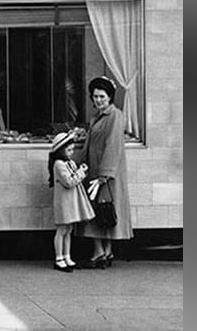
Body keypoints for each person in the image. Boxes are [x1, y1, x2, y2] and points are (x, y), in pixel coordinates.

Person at [76, 76, 134, 268]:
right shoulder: (98, 117)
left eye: (102, 96)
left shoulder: (115, 116)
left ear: (110, 97)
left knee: (100, 210)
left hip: (105, 174)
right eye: (95, 96)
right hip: (97, 171)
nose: (98, 100)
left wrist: (103, 175)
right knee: (102, 211)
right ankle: (105, 252)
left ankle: (100, 251)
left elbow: (113, 145)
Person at [48, 127, 93, 272]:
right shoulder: (59, 165)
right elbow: (69, 182)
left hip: (70, 202)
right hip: (64, 202)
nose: (72, 153)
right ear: (61, 150)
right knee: (62, 229)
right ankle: (59, 258)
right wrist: (81, 172)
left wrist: (80, 171)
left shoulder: (68, 163)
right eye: (69, 150)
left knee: (68, 229)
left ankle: (67, 256)